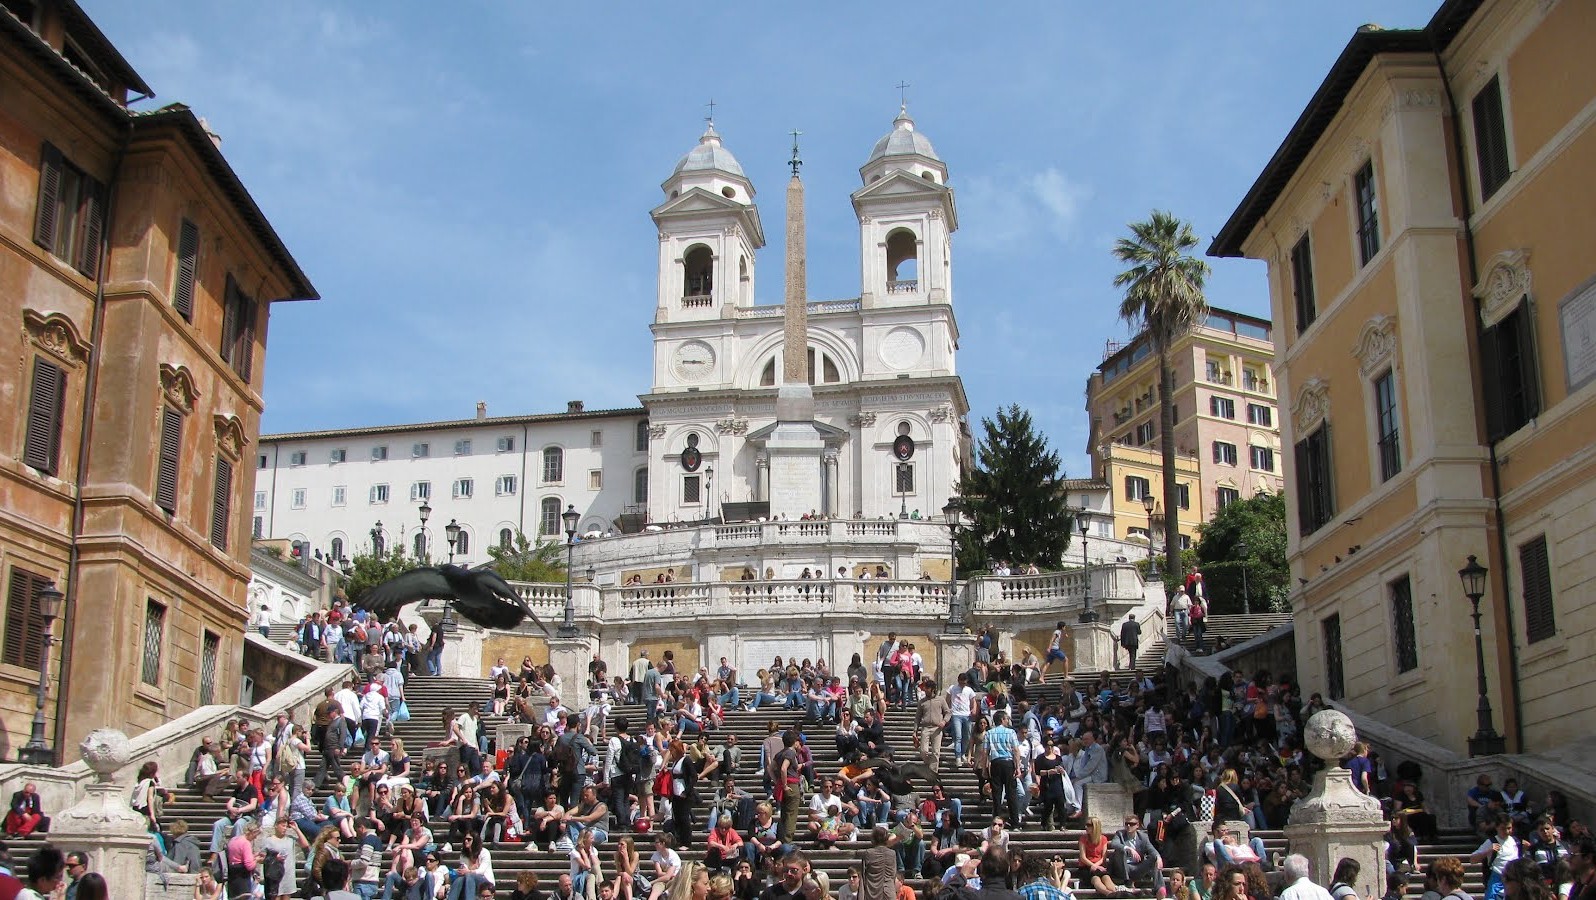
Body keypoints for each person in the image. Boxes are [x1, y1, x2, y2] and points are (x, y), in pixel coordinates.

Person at [1112, 815, 1165, 894]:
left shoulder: (1143, 837)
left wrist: (1158, 857)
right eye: (1126, 824)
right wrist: (1128, 848)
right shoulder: (1120, 834)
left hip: (1137, 867)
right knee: (1121, 851)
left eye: (1132, 824)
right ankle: (1128, 883)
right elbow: (1114, 844)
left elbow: (1151, 849)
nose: (1129, 826)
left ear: (1137, 825)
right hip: (1123, 868)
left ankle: (1159, 888)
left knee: (1154, 858)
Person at [1077, 817, 1120, 896]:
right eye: (1086, 824)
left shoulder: (1103, 839)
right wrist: (1093, 865)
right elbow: (1082, 857)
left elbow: (1103, 857)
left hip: (1099, 865)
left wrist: (1096, 866)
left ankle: (1115, 893)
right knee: (1096, 879)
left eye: (1089, 825)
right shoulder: (1083, 839)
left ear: (1095, 826)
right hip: (1086, 866)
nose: (1086, 827)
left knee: (1106, 877)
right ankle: (1109, 894)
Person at [447, 832, 495, 900]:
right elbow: (464, 870)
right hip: (469, 881)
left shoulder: (484, 852)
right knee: (460, 879)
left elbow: (481, 871)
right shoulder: (463, 855)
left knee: (469, 875)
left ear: (475, 840)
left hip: (486, 882)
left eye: (469, 839)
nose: (466, 841)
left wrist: (469, 871)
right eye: (465, 839)